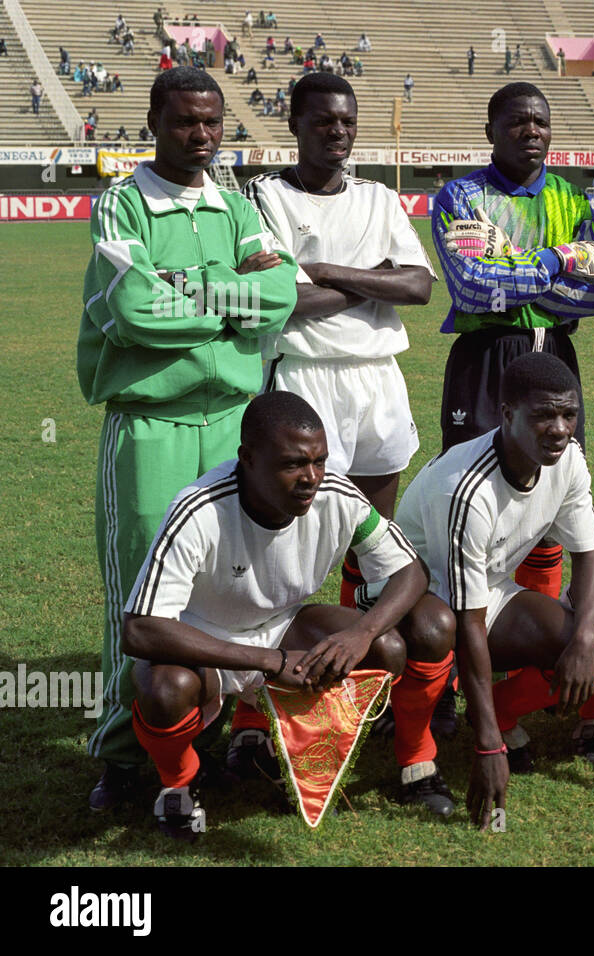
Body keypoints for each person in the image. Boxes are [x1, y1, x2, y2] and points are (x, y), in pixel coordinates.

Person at [78, 67, 298, 811]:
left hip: (234, 426)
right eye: (184, 123)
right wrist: (228, 304)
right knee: (140, 593)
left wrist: (194, 292)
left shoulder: (236, 206)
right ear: (154, 121)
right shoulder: (122, 203)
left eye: (212, 123)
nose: (200, 136)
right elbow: (134, 309)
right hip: (152, 427)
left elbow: (281, 294)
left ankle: (231, 731)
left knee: (238, 580)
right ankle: (123, 754)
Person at [122, 392, 429, 838]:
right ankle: (179, 783)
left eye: (319, 461)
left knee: (385, 648)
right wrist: (267, 662)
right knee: (166, 688)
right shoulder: (199, 509)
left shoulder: (338, 495)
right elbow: (140, 629)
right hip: (205, 642)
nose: (311, 478)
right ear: (247, 458)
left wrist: (362, 632)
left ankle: (299, 757)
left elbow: (409, 571)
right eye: (292, 465)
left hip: (284, 628)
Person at [373, 353, 594, 826]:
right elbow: (466, 622)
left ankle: (497, 714)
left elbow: (587, 557)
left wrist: (582, 640)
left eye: (569, 414)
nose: (559, 429)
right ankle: (415, 758)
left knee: (590, 651)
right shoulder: (464, 487)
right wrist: (488, 748)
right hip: (406, 593)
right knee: (438, 628)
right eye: (543, 415)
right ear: (507, 413)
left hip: (483, 590)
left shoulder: (569, 458)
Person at [242, 72, 435, 611]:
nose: (338, 131)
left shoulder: (379, 197)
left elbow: (418, 286)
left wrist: (324, 270)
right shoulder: (265, 194)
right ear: (295, 125)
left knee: (375, 534)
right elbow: (287, 300)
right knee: (286, 526)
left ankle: (362, 652)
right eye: (324, 120)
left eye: (347, 121)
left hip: (377, 377)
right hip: (304, 375)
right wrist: (376, 281)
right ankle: (271, 646)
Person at [433, 82, 594, 603]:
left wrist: (509, 271)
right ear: (490, 130)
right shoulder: (462, 196)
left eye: (540, 121)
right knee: (470, 480)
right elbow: (471, 286)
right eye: (516, 121)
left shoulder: (571, 197)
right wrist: (558, 260)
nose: (530, 130)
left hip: (554, 352)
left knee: (553, 479)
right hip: (487, 356)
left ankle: (534, 624)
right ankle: (462, 620)